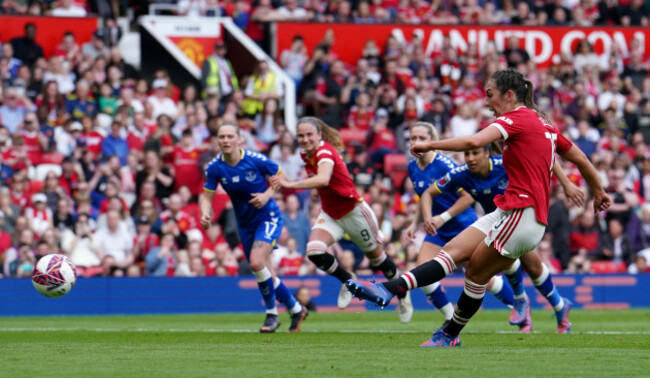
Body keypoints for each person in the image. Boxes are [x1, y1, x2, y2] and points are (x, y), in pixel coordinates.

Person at [347, 68, 611, 347]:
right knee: (452, 253)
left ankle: (448, 330)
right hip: (509, 210)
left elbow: (474, 141)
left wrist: (431, 145)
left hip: (524, 214)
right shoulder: (542, 124)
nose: (486, 102)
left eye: (490, 95)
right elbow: (580, 157)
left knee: (475, 272)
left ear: (508, 95)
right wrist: (598, 191)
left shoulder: (515, 119)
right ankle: (389, 291)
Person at [420, 144, 584, 332]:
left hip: (522, 217)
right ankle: (545, 305)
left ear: (488, 154)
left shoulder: (503, 163)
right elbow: (430, 192)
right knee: (515, 259)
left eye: (475, 153)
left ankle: (544, 304)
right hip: (496, 223)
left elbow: (545, 157)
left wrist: (565, 183)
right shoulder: (461, 173)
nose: (471, 158)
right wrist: (430, 218)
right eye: (467, 153)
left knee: (531, 265)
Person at [269, 117, 414, 323]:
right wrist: (316, 193)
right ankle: (348, 280)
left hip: (354, 213)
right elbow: (322, 183)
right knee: (314, 251)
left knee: (378, 260)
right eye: (300, 135)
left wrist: (289, 184)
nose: (304, 139)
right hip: (330, 214)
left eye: (309, 134)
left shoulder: (325, 151)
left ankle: (402, 293)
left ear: (319, 135)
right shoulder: (305, 153)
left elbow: (324, 178)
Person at [200, 122, 307, 333]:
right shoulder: (215, 167)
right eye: (222, 137)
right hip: (245, 225)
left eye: (230, 136)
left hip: (268, 217)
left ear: (239, 139)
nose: (226, 141)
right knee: (268, 274)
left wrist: (267, 195)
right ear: (217, 141)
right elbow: (206, 196)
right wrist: (205, 212)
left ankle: (271, 315)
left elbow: (283, 177)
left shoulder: (255, 160)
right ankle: (296, 309)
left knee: (256, 263)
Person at [403, 121, 490, 325]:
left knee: (484, 276)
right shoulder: (412, 167)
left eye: (422, 138)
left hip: (463, 226)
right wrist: (415, 222)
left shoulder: (444, 165)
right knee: (423, 273)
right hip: (438, 229)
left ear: (432, 141)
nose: (417, 142)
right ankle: (450, 316)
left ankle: (519, 307)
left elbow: (468, 197)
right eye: (413, 138)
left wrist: (443, 217)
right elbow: (423, 195)